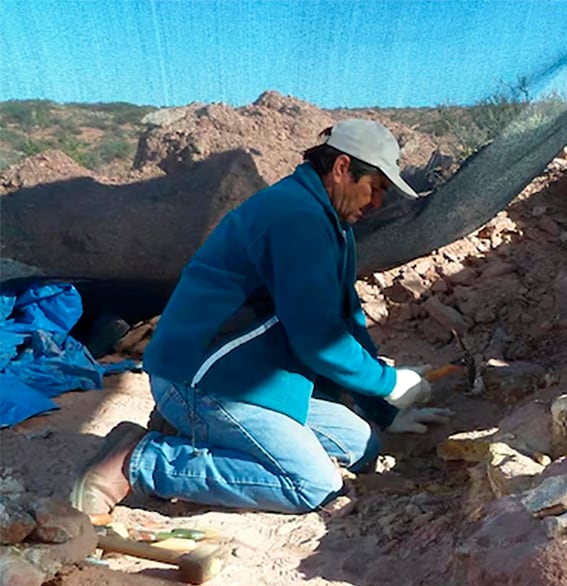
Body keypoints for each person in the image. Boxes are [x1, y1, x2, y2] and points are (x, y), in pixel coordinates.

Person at [71, 119, 446, 516]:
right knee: (313, 485)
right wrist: (388, 382)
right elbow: (317, 338)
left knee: (361, 444)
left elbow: (346, 320)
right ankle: (138, 460)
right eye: (376, 188)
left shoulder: (331, 225)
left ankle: (186, 430)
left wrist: (383, 409)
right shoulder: (296, 217)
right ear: (341, 169)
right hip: (204, 378)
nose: (377, 204)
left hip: (251, 375)